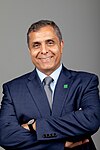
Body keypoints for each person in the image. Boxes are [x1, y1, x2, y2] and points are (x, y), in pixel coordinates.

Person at [0, 20, 100, 150]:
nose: (44, 50)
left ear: (61, 45)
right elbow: (5, 136)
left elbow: (91, 120)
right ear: (29, 50)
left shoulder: (86, 82)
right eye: (36, 45)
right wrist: (58, 144)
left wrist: (34, 126)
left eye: (50, 43)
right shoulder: (13, 90)